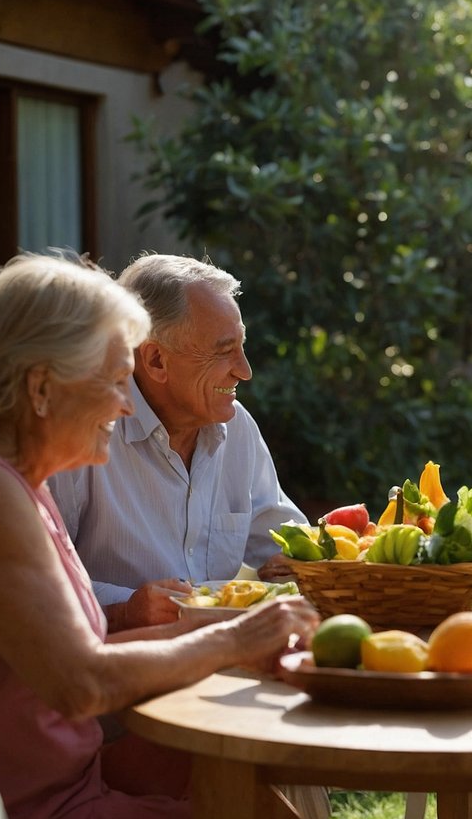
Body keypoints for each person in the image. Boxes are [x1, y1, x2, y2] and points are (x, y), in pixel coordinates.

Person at [0, 254, 319, 819]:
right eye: (111, 382)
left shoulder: (5, 472)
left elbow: (82, 654)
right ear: (42, 387)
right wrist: (232, 641)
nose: (125, 406)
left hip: (62, 791)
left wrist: (237, 645)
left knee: (266, 797)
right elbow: (81, 683)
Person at [49, 254, 306, 632]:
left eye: (242, 346)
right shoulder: (81, 431)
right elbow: (40, 588)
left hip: (214, 657)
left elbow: (286, 543)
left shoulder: (237, 428)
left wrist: (305, 562)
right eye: (224, 351)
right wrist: (126, 611)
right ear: (155, 361)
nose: (245, 370)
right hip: (119, 666)